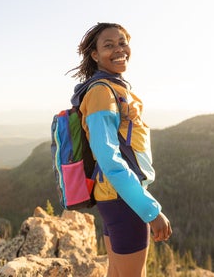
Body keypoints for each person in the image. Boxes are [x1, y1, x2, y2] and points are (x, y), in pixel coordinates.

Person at [67, 22, 172, 276]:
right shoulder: (102, 92)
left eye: (123, 42)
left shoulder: (112, 87)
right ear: (95, 55)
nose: (119, 49)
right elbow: (109, 160)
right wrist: (150, 210)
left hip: (114, 197)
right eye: (109, 45)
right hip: (123, 199)